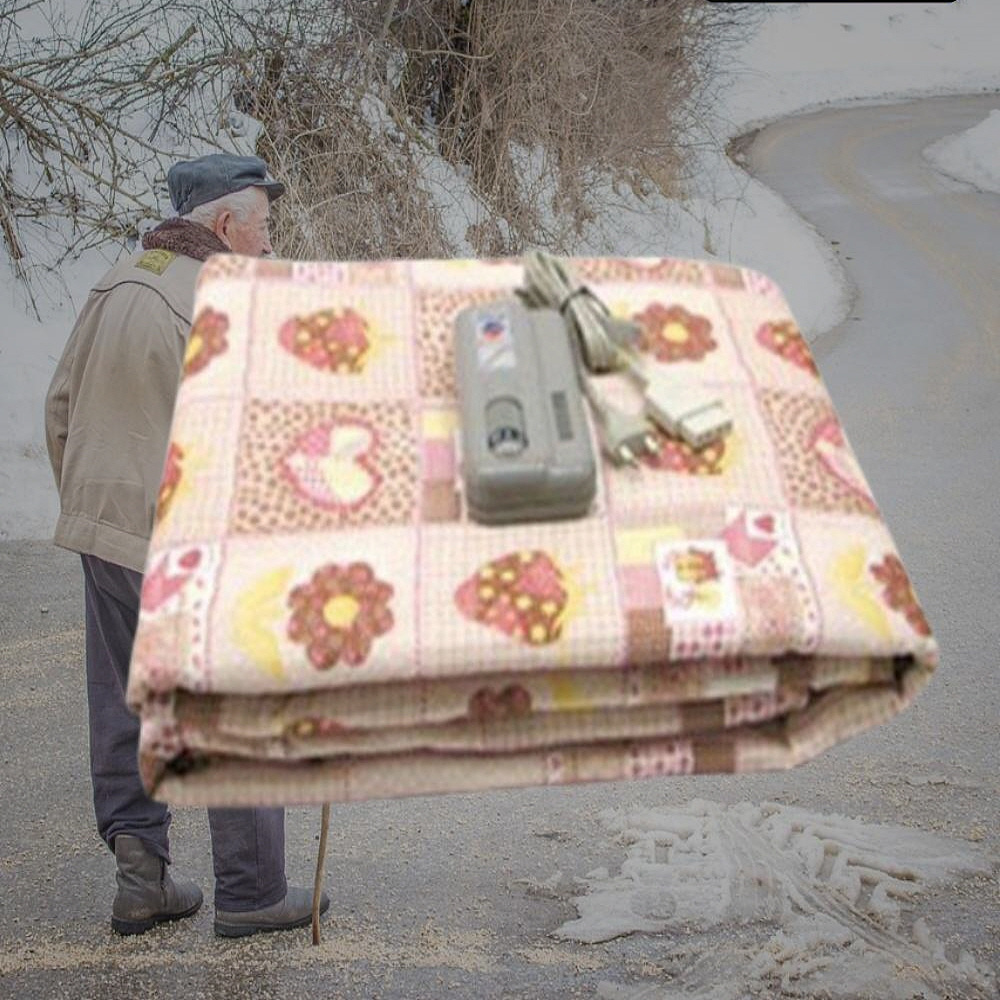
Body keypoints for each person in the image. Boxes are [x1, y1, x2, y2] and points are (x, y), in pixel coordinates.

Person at [43, 153, 329, 938]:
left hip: (105, 525)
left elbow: (60, 405)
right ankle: (250, 890)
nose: (269, 247)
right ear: (227, 226)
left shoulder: (117, 280)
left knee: (126, 700)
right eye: (264, 228)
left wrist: (95, 507)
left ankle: (142, 877)